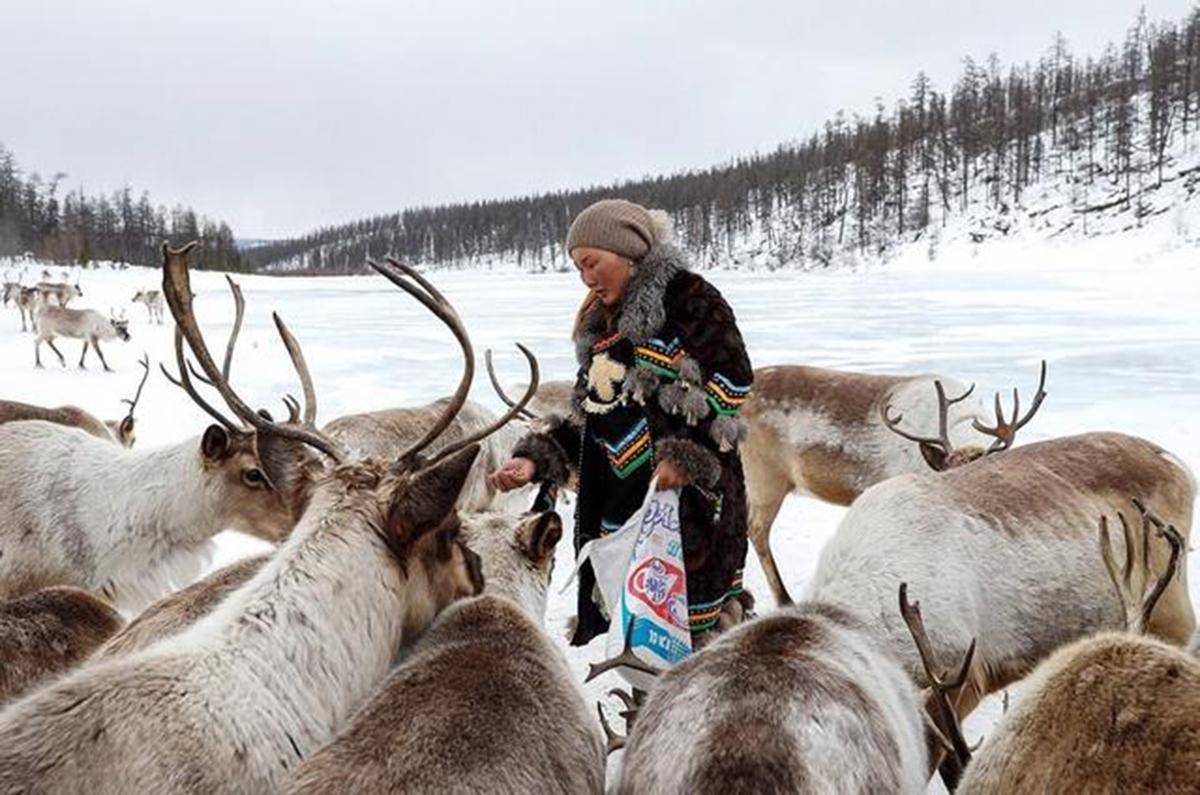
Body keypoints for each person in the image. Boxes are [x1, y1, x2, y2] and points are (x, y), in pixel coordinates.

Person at [490, 198, 755, 649]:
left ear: (628, 252)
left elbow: (731, 386)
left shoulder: (692, 302)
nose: (586, 279)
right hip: (620, 518)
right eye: (578, 269)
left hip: (689, 518)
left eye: (592, 263)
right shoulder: (601, 330)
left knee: (696, 648)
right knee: (635, 640)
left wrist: (684, 457)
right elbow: (592, 421)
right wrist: (537, 459)